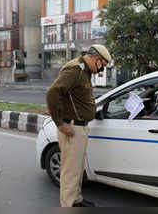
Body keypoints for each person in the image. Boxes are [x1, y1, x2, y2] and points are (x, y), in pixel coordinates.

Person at [46, 44, 112, 207]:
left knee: (77, 168)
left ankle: (76, 199)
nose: (101, 70)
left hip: (79, 126)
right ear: (96, 59)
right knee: (70, 171)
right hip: (72, 128)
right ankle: (68, 204)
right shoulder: (75, 70)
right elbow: (52, 93)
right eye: (102, 65)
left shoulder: (85, 71)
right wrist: (60, 124)